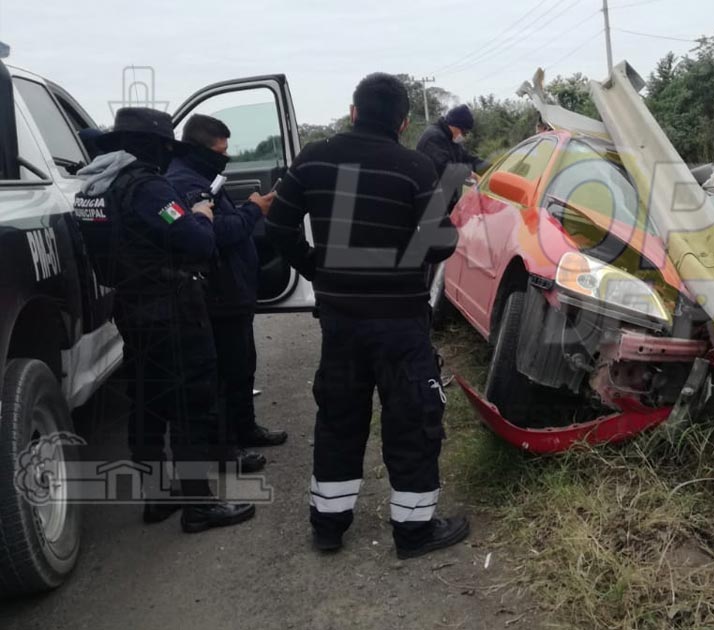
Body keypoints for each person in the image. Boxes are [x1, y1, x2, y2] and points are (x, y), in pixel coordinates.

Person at [266, 73, 468, 556]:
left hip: (341, 321)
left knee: (338, 418)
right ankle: (414, 532)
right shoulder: (415, 167)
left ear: (353, 111)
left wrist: (316, 268)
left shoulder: (313, 158)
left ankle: (328, 526)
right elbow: (441, 242)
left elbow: (277, 226)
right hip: (400, 323)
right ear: (403, 122)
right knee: (412, 421)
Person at [72, 107, 255, 532]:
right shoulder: (148, 187)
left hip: (131, 306)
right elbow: (198, 241)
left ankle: (156, 497)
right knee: (192, 402)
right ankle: (199, 506)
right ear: (152, 146)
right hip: (171, 306)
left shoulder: (96, 185)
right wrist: (202, 215)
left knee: (148, 403)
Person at [167, 114, 288, 476]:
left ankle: (245, 429)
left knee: (242, 366)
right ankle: (226, 448)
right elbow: (217, 233)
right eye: (221, 151)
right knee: (223, 375)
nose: (226, 157)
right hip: (216, 294)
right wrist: (254, 209)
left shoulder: (201, 176)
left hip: (231, 292)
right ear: (199, 148)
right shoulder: (185, 183)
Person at [416, 104, 489, 178]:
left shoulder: (451, 138)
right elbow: (443, 168)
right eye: (464, 132)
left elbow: (467, 159)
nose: (464, 136)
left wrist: (488, 169)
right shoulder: (433, 138)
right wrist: (467, 173)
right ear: (455, 125)